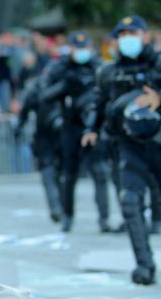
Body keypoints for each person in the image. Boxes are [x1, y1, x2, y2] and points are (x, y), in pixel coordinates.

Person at [83, 15, 161, 285]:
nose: (128, 38)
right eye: (123, 34)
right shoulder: (108, 72)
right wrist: (91, 129)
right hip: (129, 146)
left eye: (134, 33)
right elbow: (98, 103)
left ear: (145, 36)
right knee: (130, 202)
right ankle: (145, 265)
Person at [39, 31, 114, 232]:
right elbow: (44, 95)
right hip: (70, 127)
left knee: (100, 172)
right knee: (68, 175)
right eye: (77, 48)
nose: (81, 52)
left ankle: (104, 219)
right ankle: (67, 216)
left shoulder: (97, 67)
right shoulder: (59, 68)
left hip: (93, 126)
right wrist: (64, 86)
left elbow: (109, 94)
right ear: (70, 48)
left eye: (84, 48)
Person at [17, 72, 64, 223]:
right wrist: (19, 127)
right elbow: (25, 110)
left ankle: (61, 207)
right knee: (49, 174)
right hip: (45, 137)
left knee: (61, 175)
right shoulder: (37, 89)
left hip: (61, 135)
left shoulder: (63, 83)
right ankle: (56, 208)